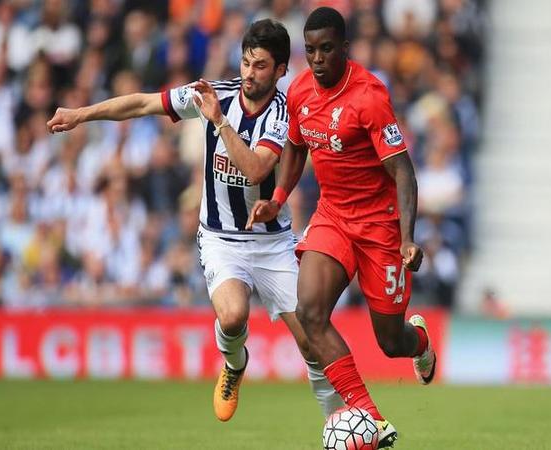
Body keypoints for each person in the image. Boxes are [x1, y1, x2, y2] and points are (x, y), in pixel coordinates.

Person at [47, 19, 342, 423]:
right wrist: (81, 114)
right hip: (221, 236)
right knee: (234, 315)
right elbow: (142, 103)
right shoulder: (213, 94)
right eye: (245, 62)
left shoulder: (283, 113)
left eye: (260, 66)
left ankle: (336, 423)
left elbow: (256, 169)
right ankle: (234, 365)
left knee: (311, 340)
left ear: (279, 71)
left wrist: (219, 122)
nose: (249, 74)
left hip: (272, 241)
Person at [247, 7, 437, 448]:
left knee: (391, 340)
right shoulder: (298, 92)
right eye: (310, 50)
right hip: (333, 216)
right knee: (309, 311)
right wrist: (277, 199)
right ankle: (370, 416)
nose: (317, 59)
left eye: (326, 49)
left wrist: (408, 237)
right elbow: (295, 149)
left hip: (380, 227)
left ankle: (421, 341)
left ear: (344, 49)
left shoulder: (369, 96)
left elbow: (404, 171)